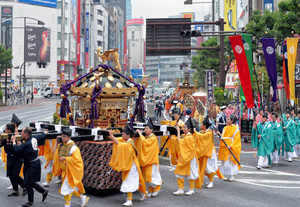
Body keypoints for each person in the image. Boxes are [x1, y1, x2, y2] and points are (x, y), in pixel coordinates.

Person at [108, 124, 146, 206]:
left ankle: (130, 200)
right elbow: (119, 141)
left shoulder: (129, 144)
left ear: (128, 135)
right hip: (128, 165)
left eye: (123, 134)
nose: (122, 136)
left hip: (131, 166)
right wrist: (111, 137)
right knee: (132, 181)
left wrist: (113, 138)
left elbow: (121, 145)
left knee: (129, 181)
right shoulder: (126, 140)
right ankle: (143, 192)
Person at [11, 127, 48, 207]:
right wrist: (45, 133)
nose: (21, 134)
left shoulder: (27, 144)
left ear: (26, 134)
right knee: (29, 182)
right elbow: (41, 136)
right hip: (33, 163)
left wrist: (14, 142)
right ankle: (43, 191)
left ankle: (30, 202)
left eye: (22, 132)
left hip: (31, 165)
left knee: (28, 183)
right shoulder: (34, 138)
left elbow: (17, 150)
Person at [52, 128, 89, 207]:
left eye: (64, 137)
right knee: (71, 188)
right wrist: (56, 143)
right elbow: (54, 153)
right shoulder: (61, 144)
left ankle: (67, 204)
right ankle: (83, 197)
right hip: (65, 170)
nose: (63, 138)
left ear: (69, 137)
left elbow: (77, 160)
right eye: (62, 136)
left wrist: (65, 158)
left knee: (66, 188)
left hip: (71, 170)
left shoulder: (73, 147)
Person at [193, 117, 224, 188]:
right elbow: (198, 136)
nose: (200, 125)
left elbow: (202, 137)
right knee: (204, 167)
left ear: (204, 126)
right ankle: (209, 180)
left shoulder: (209, 133)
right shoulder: (204, 132)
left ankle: (211, 181)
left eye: (201, 124)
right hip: (205, 151)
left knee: (210, 167)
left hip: (209, 152)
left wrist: (195, 132)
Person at [135, 118, 162, 199]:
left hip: (152, 160)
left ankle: (157, 187)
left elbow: (145, 143)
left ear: (151, 130)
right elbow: (142, 142)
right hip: (147, 159)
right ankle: (151, 190)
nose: (145, 130)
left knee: (150, 176)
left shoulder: (153, 138)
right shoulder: (146, 137)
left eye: (147, 128)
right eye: (145, 128)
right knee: (146, 177)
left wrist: (140, 135)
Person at [173, 118, 200, 196]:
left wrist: (178, 131)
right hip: (184, 157)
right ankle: (180, 189)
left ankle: (191, 189)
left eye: (185, 127)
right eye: (183, 127)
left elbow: (180, 142)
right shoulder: (185, 136)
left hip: (189, 158)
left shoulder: (189, 137)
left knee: (191, 174)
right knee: (179, 172)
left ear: (189, 129)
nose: (183, 129)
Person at [0, 124, 26, 196]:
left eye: (6, 129)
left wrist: (15, 140)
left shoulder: (16, 137)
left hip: (17, 158)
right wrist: (1, 138)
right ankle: (15, 190)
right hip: (9, 157)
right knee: (10, 175)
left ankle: (24, 186)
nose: (4, 130)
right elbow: (0, 144)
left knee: (15, 175)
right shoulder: (5, 137)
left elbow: (20, 147)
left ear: (10, 130)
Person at [218, 114, 241, 181]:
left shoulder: (235, 129)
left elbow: (236, 139)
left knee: (231, 162)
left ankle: (232, 175)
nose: (227, 120)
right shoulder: (225, 128)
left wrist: (231, 145)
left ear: (232, 120)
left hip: (230, 147)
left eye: (228, 119)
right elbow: (223, 136)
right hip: (224, 147)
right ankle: (228, 174)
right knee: (225, 162)